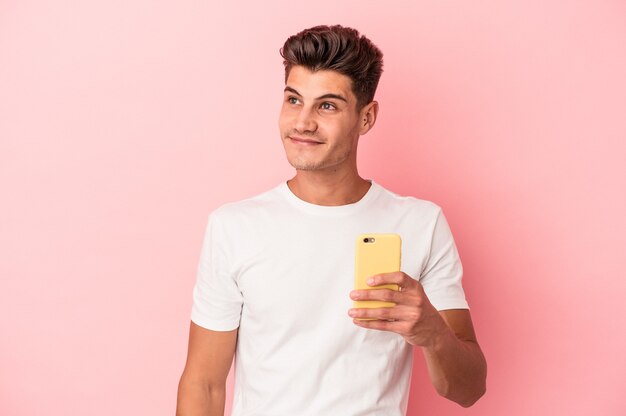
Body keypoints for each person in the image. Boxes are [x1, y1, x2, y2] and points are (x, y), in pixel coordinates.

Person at [177, 25, 486, 415]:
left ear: (366, 117)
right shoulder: (234, 227)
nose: (303, 122)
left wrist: (434, 334)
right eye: (293, 100)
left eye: (327, 106)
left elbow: (469, 389)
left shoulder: (420, 224)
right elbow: (203, 384)